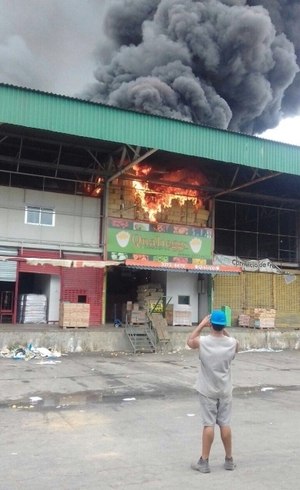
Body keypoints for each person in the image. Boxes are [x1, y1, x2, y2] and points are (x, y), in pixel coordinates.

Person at [187, 309, 239, 473]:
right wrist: (222, 329)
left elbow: (189, 341)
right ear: (223, 325)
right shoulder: (232, 343)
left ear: (211, 324)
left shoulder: (203, 341)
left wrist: (201, 324)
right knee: (225, 424)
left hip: (207, 390)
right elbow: (232, 341)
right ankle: (229, 460)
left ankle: (204, 461)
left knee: (208, 425)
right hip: (225, 390)